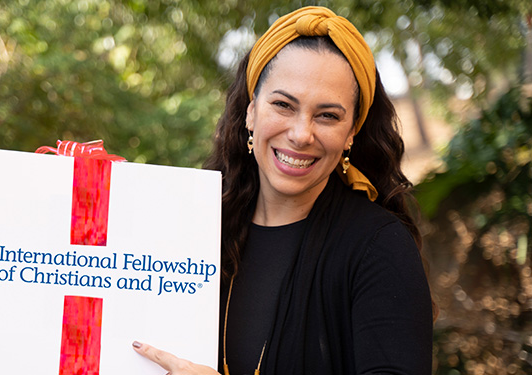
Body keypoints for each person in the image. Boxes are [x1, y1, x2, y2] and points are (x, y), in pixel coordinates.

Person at [132, 6, 435, 375]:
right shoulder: (194, 230)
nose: (301, 134)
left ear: (351, 131)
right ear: (250, 111)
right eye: (283, 105)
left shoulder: (379, 248)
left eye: (327, 115)